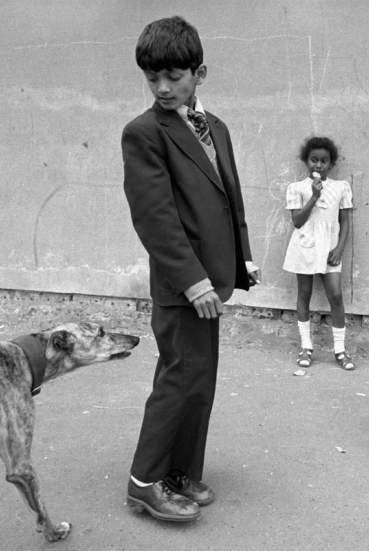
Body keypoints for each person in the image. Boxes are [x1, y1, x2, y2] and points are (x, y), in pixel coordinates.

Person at [121, 16, 260, 523]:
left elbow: (229, 198)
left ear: (199, 73)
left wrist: (241, 260)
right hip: (184, 284)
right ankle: (144, 482)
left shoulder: (214, 126)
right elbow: (154, 217)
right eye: (151, 78)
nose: (161, 88)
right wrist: (195, 279)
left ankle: (179, 471)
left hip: (213, 279)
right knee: (178, 379)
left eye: (173, 77)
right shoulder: (142, 133)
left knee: (201, 381)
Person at [282, 136, 355, 370]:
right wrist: (313, 196)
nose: (318, 165)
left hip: (330, 249)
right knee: (304, 294)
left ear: (331, 163)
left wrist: (339, 249)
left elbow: (345, 221)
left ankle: (340, 349)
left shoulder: (341, 187)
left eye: (324, 161)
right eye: (314, 160)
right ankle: (306, 346)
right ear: (306, 161)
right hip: (304, 246)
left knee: (335, 295)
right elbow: (297, 221)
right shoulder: (297, 188)